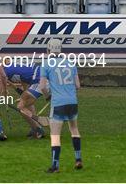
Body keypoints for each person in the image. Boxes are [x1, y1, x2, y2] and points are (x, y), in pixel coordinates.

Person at [39, 39, 83, 173]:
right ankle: (78, 159)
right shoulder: (71, 62)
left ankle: (55, 166)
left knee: (55, 135)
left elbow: (42, 87)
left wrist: (48, 96)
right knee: (74, 130)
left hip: (58, 103)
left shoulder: (46, 64)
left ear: (48, 50)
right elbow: (78, 86)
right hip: (72, 102)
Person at [3, 60, 46, 139]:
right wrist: (22, 96)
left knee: (20, 107)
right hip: (40, 75)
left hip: (39, 80)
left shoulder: (7, 72)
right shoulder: (16, 66)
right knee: (26, 103)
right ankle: (34, 128)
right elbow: (25, 89)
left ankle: (38, 128)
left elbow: (0, 89)